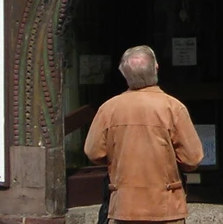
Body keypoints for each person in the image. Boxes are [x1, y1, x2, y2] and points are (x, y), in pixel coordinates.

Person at [85, 45, 203, 224]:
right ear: (156, 68)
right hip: (166, 207)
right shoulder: (173, 108)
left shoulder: (108, 109)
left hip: (124, 206)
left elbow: (94, 152)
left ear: (124, 74)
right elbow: (192, 158)